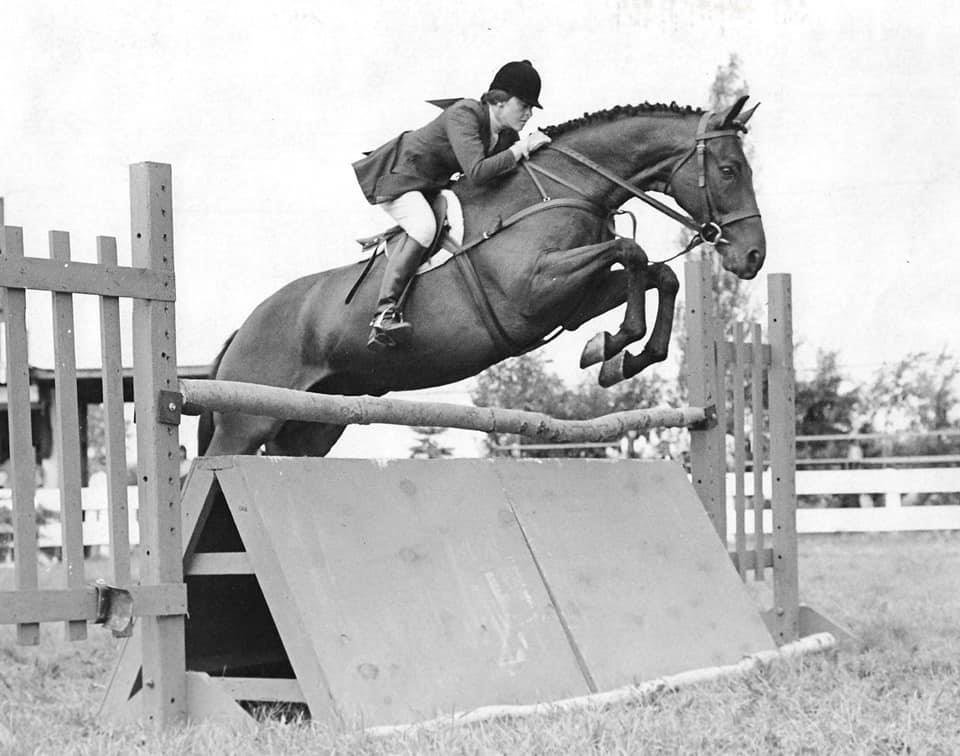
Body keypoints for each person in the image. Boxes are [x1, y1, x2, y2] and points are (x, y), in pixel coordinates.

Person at [353, 60, 552, 351]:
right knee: (423, 227)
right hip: (399, 180)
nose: (529, 113)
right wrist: (522, 149)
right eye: (524, 105)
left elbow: (505, 170)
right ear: (498, 101)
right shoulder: (465, 113)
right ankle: (384, 312)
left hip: (430, 187)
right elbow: (479, 171)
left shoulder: (506, 134)